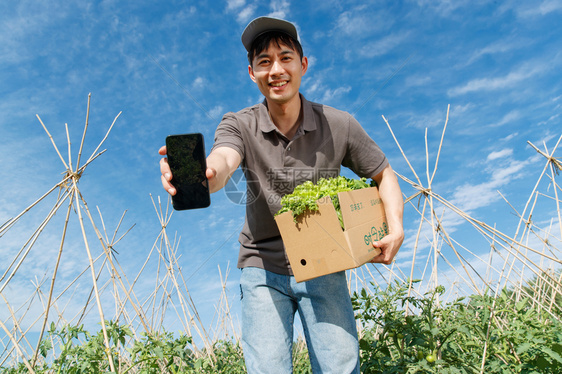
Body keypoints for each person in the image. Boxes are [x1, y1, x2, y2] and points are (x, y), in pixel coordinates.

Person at [159, 16, 404, 374]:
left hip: (325, 260)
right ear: (252, 73)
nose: (276, 70)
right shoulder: (238, 123)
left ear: (302, 65)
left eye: (285, 58)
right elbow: (224, 159)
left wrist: (395, 227)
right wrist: (205, 174)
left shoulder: (339, 124)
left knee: (340, 367)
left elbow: (384, 174)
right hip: (262, 265)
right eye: (264, 62)